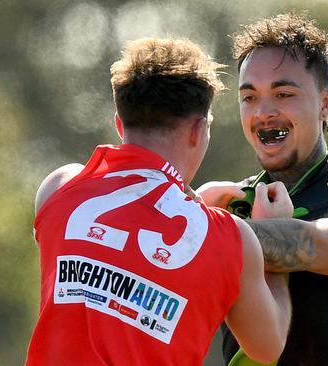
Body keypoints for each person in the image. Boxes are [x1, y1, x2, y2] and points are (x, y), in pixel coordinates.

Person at [25, 38, 292, 365]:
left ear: (119, 123)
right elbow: (269, 345)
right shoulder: (233, 239)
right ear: (197, 131)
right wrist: (276, 234)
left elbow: (123, 235)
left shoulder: (59, 187)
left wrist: (186, 201)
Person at [197, 13, 328, 366]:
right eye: (249, 98)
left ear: (325, 103)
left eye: (283, 94)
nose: (264, 112)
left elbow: (311, 244)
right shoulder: (221, 205)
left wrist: (192, 223)